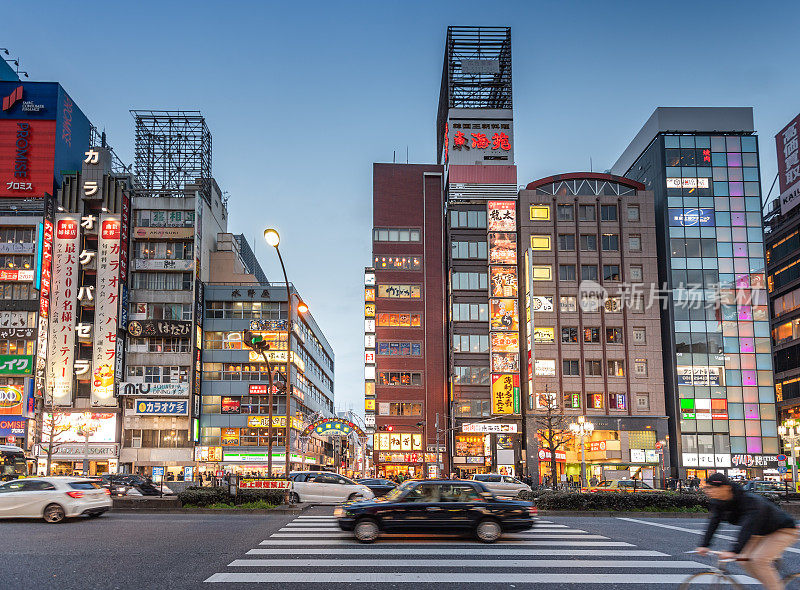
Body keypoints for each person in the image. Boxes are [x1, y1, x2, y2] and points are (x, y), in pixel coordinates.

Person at [697, 473, 799, 590]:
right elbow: (714, 521)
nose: (708, 491)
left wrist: (734, 551)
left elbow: (747, 527)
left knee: (759, 560)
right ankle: (772, 584)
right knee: (744, 560)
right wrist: (704, 545)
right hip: (761, 531)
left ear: (726, 488)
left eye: (711, 488)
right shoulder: (718, 502)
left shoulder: (749, 501)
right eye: (707, 488)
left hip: (783, 529)